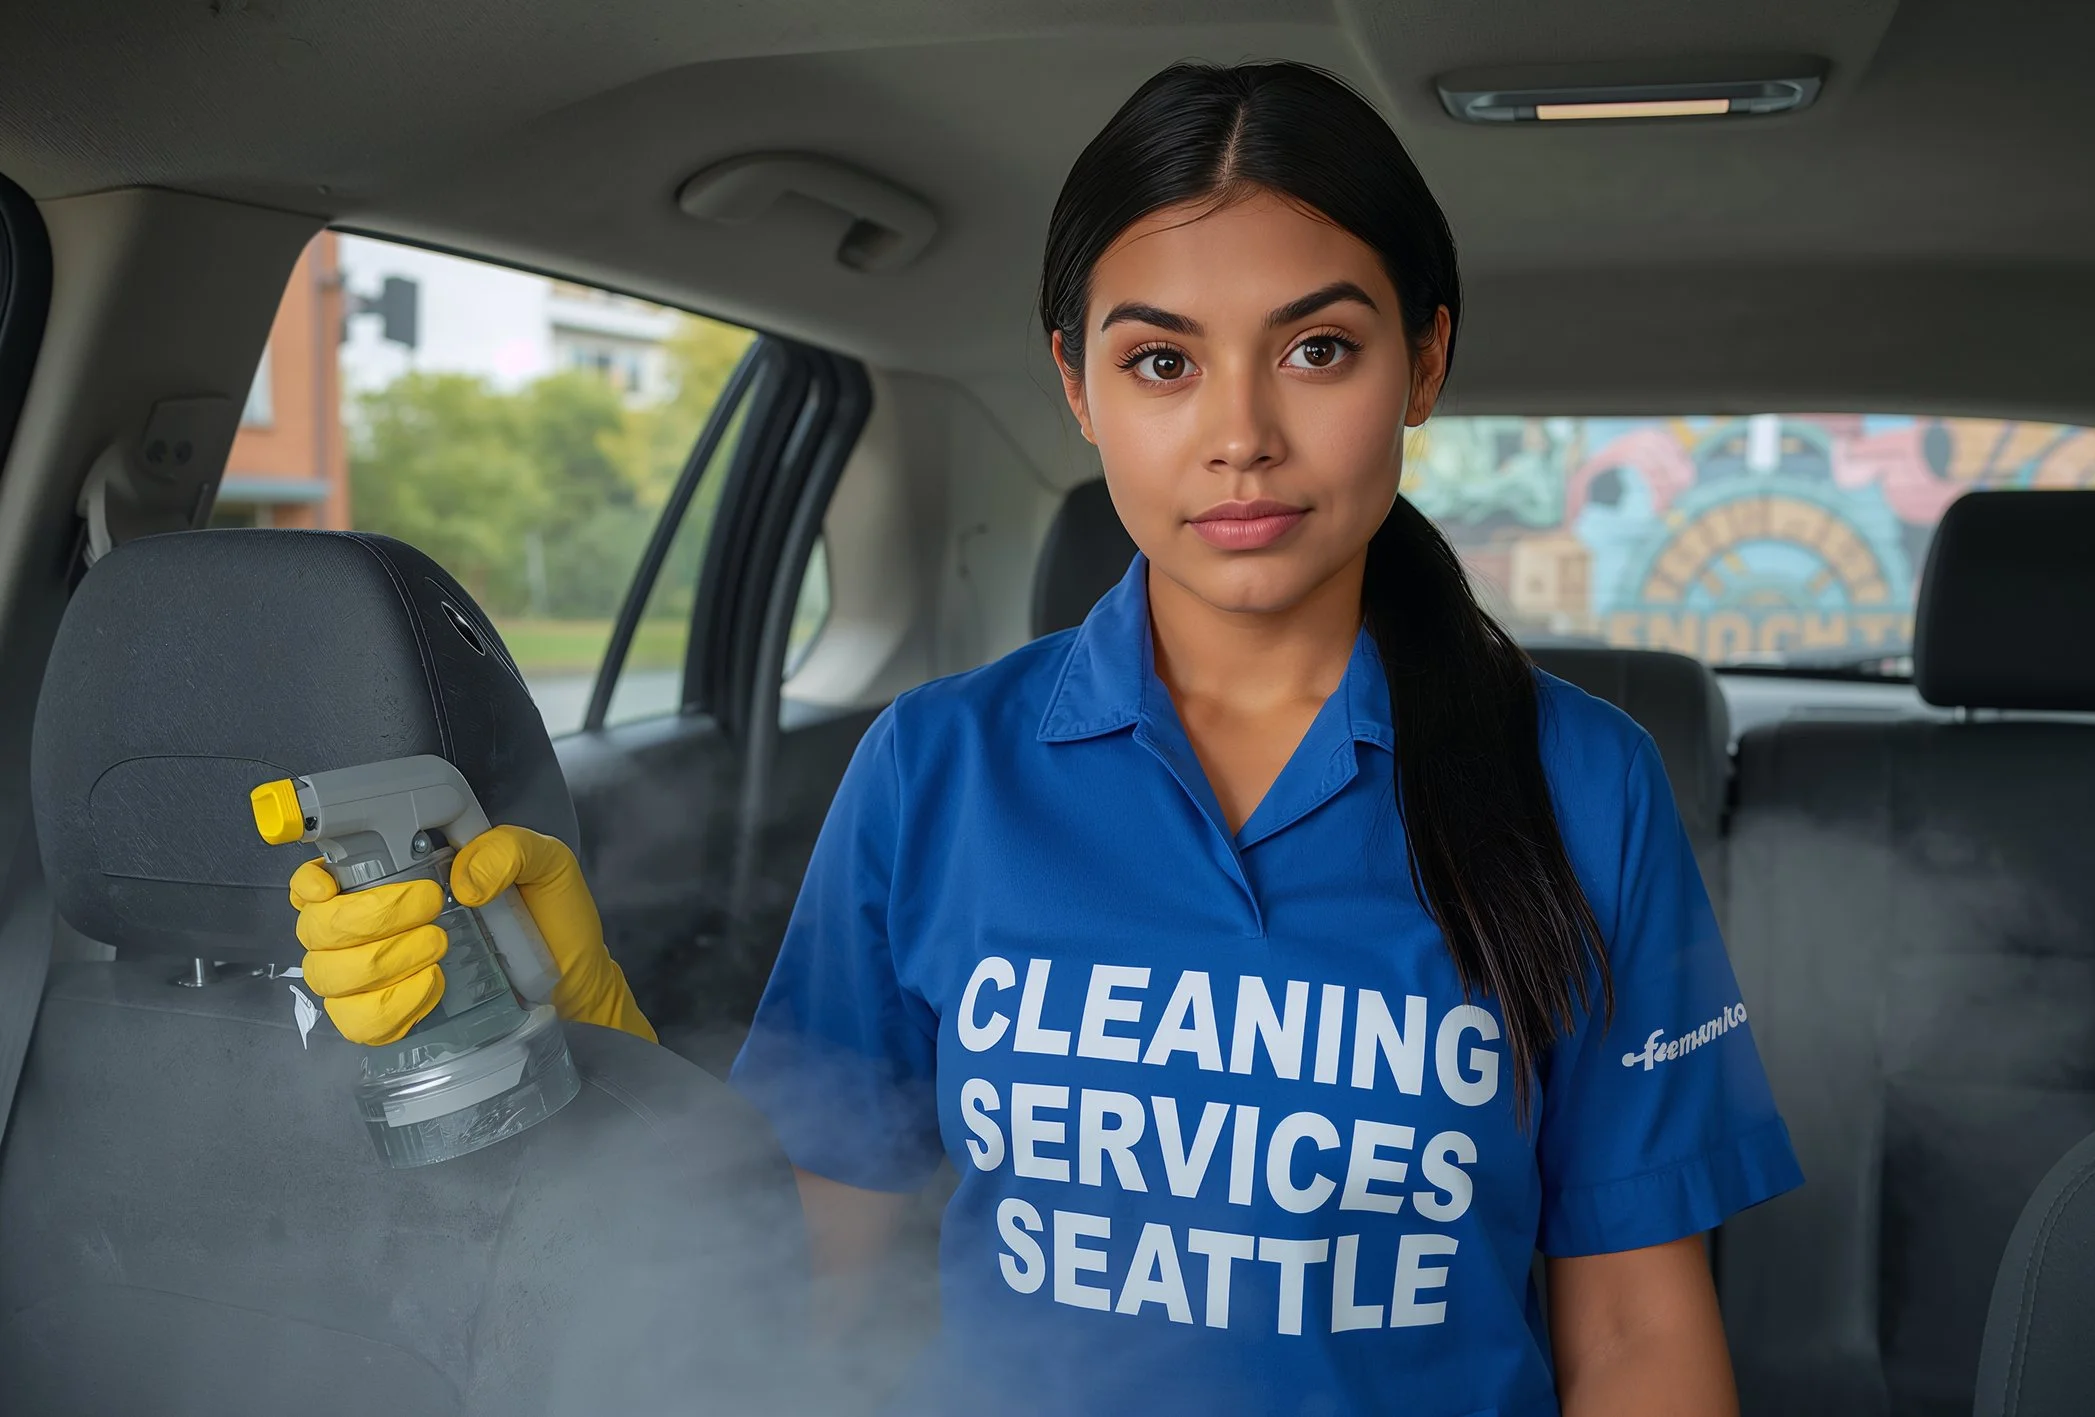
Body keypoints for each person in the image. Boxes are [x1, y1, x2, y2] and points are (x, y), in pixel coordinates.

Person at [291, 59, 1800, 1417]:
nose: (1240, 434)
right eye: (1162, 362)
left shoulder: (1584, 784)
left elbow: (1635, 1343)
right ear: (1077, 383)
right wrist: (584, 1059)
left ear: (1426, 363)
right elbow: (791, 1278)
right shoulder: (935, 768)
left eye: (1319, 351)